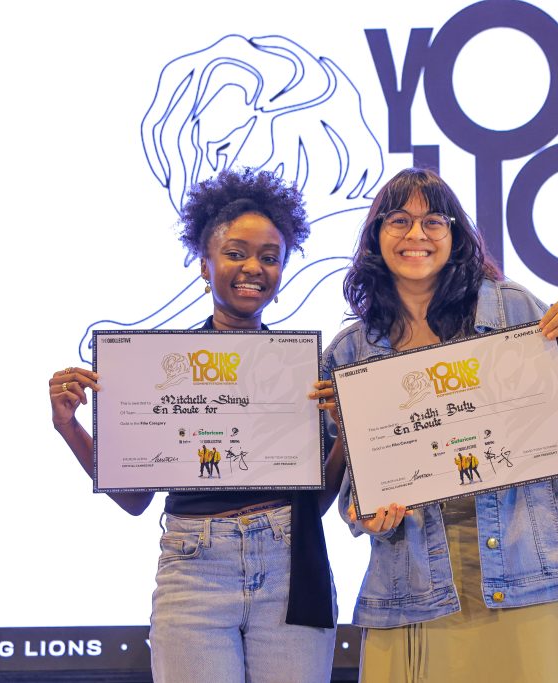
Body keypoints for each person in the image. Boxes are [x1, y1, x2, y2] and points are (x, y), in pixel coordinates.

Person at [313, 168, 558, 681]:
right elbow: (354, 487)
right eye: (399, 220)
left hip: (533, 572)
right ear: (376, 237)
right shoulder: (350, 353)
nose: (416, 234)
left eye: (433, 221)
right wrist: (365, 515)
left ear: (455, 234)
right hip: (418, 587)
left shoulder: (514, 310)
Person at [49, 168, 345, 683]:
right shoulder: (156, 369)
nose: (253, 267)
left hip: (291, 566)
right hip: (195, 569)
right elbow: (134, 499)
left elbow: (314, 505)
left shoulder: (304, 372)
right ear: (205, 266)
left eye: (270, 257)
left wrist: (346, 430)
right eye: (235, 253)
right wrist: (69, 427)